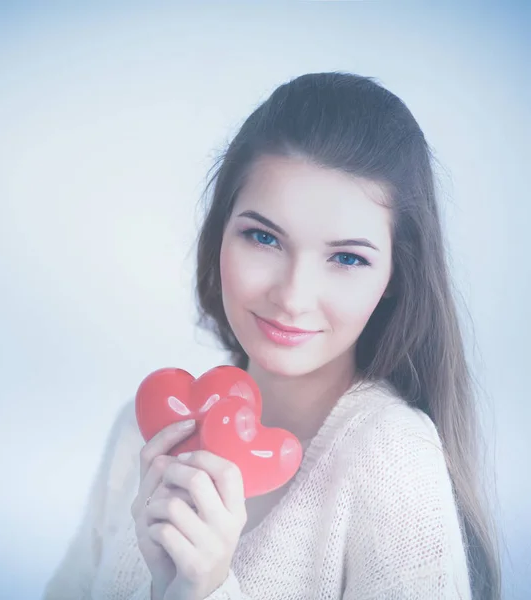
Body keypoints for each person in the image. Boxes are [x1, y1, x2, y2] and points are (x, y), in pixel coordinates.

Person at [42, 72, 501, 599]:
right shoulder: (142, 431)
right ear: (219, 234)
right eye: (263, 237)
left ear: (396, 276)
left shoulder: (392, 461)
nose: (292, 296)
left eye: (347, 257)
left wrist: (207, 589)